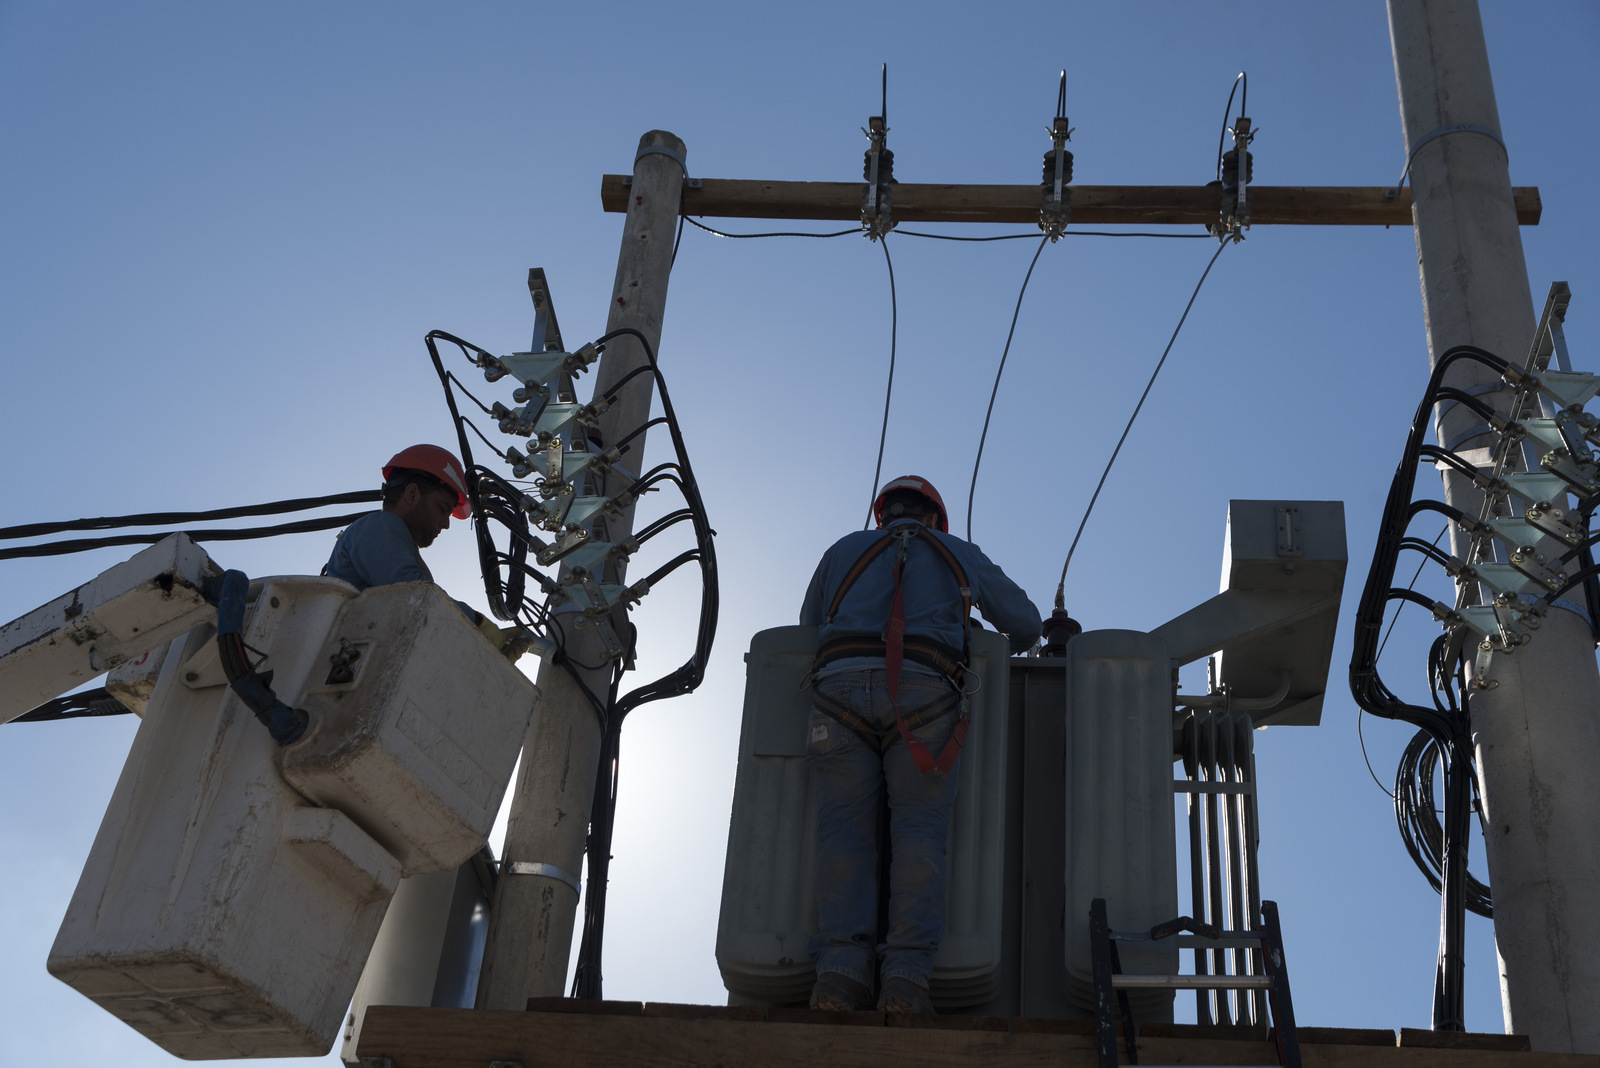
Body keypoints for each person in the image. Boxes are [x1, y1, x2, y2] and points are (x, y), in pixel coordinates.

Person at [799, 475, 1041, 1014]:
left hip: (836, 698)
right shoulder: (957, 553)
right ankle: (905, 982)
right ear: (933, 517)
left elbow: (808, 627)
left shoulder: (842, 551)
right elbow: (1025, 624)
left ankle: (839, 977)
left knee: (843, 837)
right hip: (924, 698)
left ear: (883, 515)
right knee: (919, 836)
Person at [325, 444, 529, 655]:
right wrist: (477, 625)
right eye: (442, 509)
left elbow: (420, 624)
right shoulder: (380, 526)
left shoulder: (392, 541)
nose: (446, 524)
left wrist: (482, 654)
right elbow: (418, 598)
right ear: (412, 494)